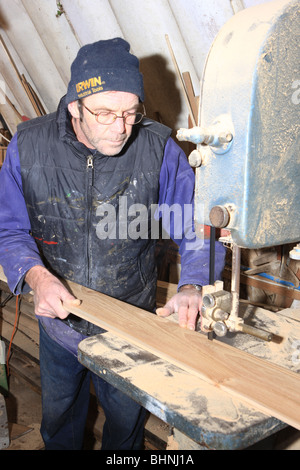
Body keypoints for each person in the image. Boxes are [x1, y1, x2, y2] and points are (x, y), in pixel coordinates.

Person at [0, 38, 225, 450]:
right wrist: (37, 278)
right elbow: (9, 228)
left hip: (131, 322)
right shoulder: (29, 146)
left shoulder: (157, 148)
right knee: (60, 419)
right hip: (58, 317)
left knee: (125, 428)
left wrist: (193, 284)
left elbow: (197, 228)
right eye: (104, 114)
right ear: (74, 107)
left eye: (129, 113)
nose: (121, 128)